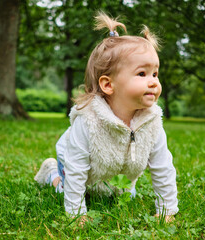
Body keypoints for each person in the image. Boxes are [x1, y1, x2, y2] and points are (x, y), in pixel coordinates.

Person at [34, 11, 178, 223]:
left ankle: (111, 187)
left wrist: (167, 211)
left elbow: (163, 167)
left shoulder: (152, 122)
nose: (153, 82)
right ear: (108, 85)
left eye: (155, 74)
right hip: (76, 164)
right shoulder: (87, 121)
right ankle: (52, 174)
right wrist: (76, 215)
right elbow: (77, 170)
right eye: (142, 74)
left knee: (118, 197)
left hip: (115, 172)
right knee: (69, 189)